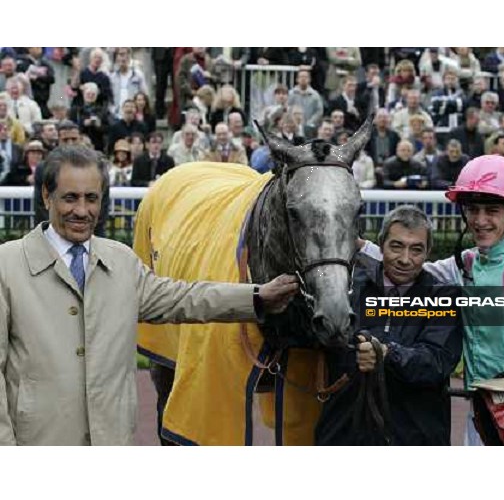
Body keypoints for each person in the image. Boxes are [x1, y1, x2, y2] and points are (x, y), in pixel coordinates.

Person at [0, 146, 299, 446]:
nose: (81, 211)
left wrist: (258, 297)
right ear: (46, 197)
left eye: (91, 198)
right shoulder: (6, 266)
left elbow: (183, 298)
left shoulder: (121, 260)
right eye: (70, 198)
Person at [360, 155, 504, 445]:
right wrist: (353, 242)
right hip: (480, 418)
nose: (480, 220)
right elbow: (410, 265)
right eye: (473, 210)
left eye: (492, 210)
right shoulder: (464, 264)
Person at [315, 205, 463, 445]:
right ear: (381, 244)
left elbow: (436, 362)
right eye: (396, 246)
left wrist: (386, 354)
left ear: (428, 252)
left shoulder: (444, 296)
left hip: (415, 437)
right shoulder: (346, 286)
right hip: (344, 432)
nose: (405, 259)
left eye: (416, 250)